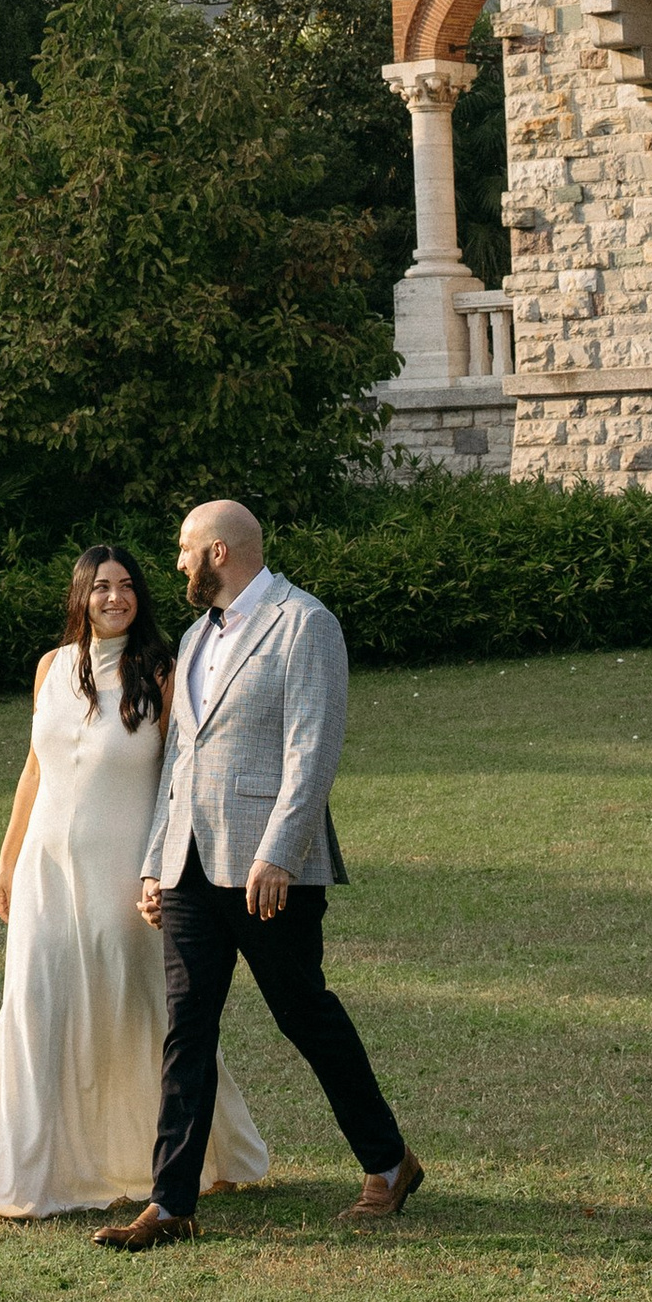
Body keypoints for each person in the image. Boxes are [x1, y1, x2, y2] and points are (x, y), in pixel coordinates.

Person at [95, 497, 421, 1251]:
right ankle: (170, 1204)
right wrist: (155, 863)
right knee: (188, 1031)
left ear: (218, 553)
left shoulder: (306, 623)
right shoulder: (193, 637)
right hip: (188, 867)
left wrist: (279, 851)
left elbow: (314, 747)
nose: (174, 562)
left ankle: (388, 1161)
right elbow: (180, 760)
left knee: (303, 1014)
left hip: (268, 869)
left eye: (184, 549)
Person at [0, 542, 270, 1224]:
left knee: (150, 1012)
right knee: (36, 1009)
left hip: (127, 871)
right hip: (47, 868)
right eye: (100, 587)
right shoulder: (50, 668)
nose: (115, 597)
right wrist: (7, 857)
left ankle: (214, 1156)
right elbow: (33, 769)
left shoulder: (166, 671)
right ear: (79, 597)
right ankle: (17, 1185)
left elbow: (181, 776)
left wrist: (161, 868)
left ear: (141, 595)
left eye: (126, 586)